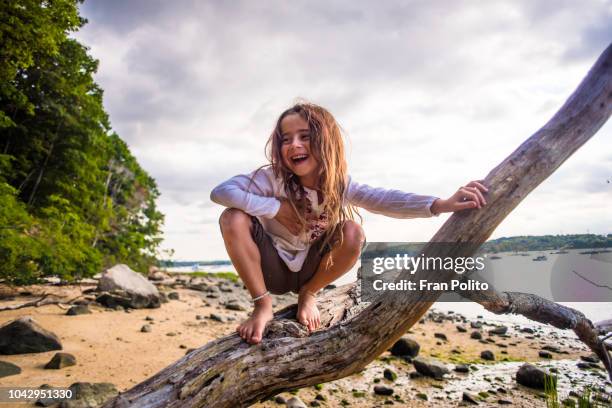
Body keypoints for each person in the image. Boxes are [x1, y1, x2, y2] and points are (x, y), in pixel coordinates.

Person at [210, 102, 488, 344]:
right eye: (286, 139)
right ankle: (262, 305)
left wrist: (440, 204)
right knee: (232, 217)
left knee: (353, 232)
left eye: (305, 136)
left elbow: (383, 198)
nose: (294, 144)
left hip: (310, 270)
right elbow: (221, 192)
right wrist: (274, 208)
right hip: (272, 270)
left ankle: (309, 294)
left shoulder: (340, 186)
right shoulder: (271, 179)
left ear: (326, 141)